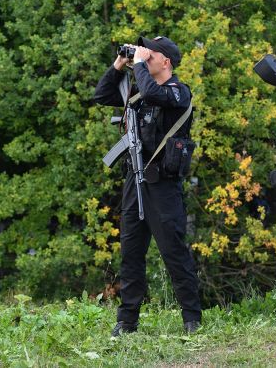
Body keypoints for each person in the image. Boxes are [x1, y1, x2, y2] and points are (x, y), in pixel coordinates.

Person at [93, 36, 202, 336]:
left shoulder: (178, 92)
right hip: (134, 180)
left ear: (165, 61)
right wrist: (119, 64)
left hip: (163, 187)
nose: (142, 57)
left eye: (149, 55)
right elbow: (101, 95)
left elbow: (156, 94)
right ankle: (126, 322)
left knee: (174, 252)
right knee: (131, 253)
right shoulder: (139, 93)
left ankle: (192, 318)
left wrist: (138, 64)